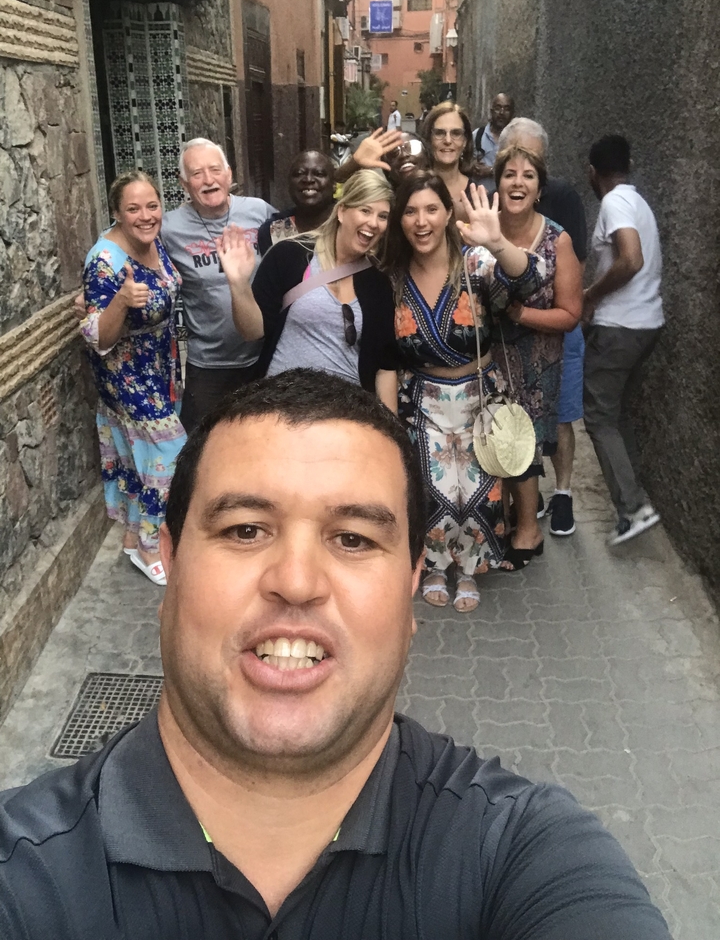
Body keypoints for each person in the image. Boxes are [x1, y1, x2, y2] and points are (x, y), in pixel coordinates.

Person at [0, 370, 674, 939]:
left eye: (353, 538)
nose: (296, 580)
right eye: (244, 529)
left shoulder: (518, 854)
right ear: (170, 567)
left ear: (412, 591)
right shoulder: (28, 875)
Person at [383, 174, 545, 611]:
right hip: (421, 399)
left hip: (478, 396)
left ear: (447, 214)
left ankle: (470, 568)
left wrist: (497, 243)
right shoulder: (392, 277)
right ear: (400, 219)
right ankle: (436, 565)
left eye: (431, 209)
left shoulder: (475, 264)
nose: (421, 221)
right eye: (411, 211)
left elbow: (532, 280)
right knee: (434, 489)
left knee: (481, 489)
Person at [79, 171, 187, 586]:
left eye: (152, 205)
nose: (145, 216)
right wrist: (122, 302)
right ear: (116, 213)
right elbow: (98, 337)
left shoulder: (151, 239)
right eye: (133, 209)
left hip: (158, 367)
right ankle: (148, 545)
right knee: (171, 455)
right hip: (126, 375)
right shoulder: (105, 262)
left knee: (141, 458)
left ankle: (130, 534)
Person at [216, 171, 399, 409]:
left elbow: (385, 367)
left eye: (382, 216)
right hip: (280, 408)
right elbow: (252, 332)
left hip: (344, 416)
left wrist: (391, 435)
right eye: (365, 210)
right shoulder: (289, 255)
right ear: (342, 211)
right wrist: (238, 284)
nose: (373, 223)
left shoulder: (377, 283)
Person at [490, 145, 583, 569]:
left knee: (521, 448)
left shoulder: (556, 239)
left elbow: (570, 314)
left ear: (539, 189)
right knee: (492, 444)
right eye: (510, 174)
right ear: (498, 182)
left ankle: (529, 533)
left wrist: (521, 314)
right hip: (487, 357)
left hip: (536, 361)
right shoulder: (484, 230)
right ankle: (505, 522)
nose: (518, 183)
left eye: (528, 176)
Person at [162, 138, 276, 434]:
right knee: (201, 448)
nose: (208, 180)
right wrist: (98, 289)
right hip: (209, 365)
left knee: (262, 441)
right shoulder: (169, 228)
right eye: (197, 174)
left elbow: (303, 233)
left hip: (263, 357)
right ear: (184, 184)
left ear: (229, 174)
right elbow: (126, 241)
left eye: (215, 170)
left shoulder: (259, 211)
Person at [583, 135, 663, 545]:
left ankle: (631, 510)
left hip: (619, 328)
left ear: (592, 173)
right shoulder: (639, 202)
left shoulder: (614, 202)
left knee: (597, 416)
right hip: (646, 325)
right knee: (616, 415)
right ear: (628, 164)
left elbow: (631, 258)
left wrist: (591, 295)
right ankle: (639, 501)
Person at [257, 150, 335, 256]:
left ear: (334, 184)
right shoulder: (273, 230)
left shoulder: (347, 224)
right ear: (289, 184)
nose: (308, 179)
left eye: (319, 174)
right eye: (299, 173)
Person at [420, 100, 476, 221]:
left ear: (465, 142)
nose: (448, 140)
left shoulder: (478, 194)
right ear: (429, 139)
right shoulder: (414, 188)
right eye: (439, 133)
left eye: (456, 133)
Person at [472, 92, 515, 194]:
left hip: (510, 198)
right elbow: (464, 165)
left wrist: (491, 171)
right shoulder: (477, 136)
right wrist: (472, 167)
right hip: (483, 200)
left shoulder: (517, 139)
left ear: (513, 113)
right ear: (491, 111)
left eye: (507, 109)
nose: (501, 112)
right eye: (498, 108)